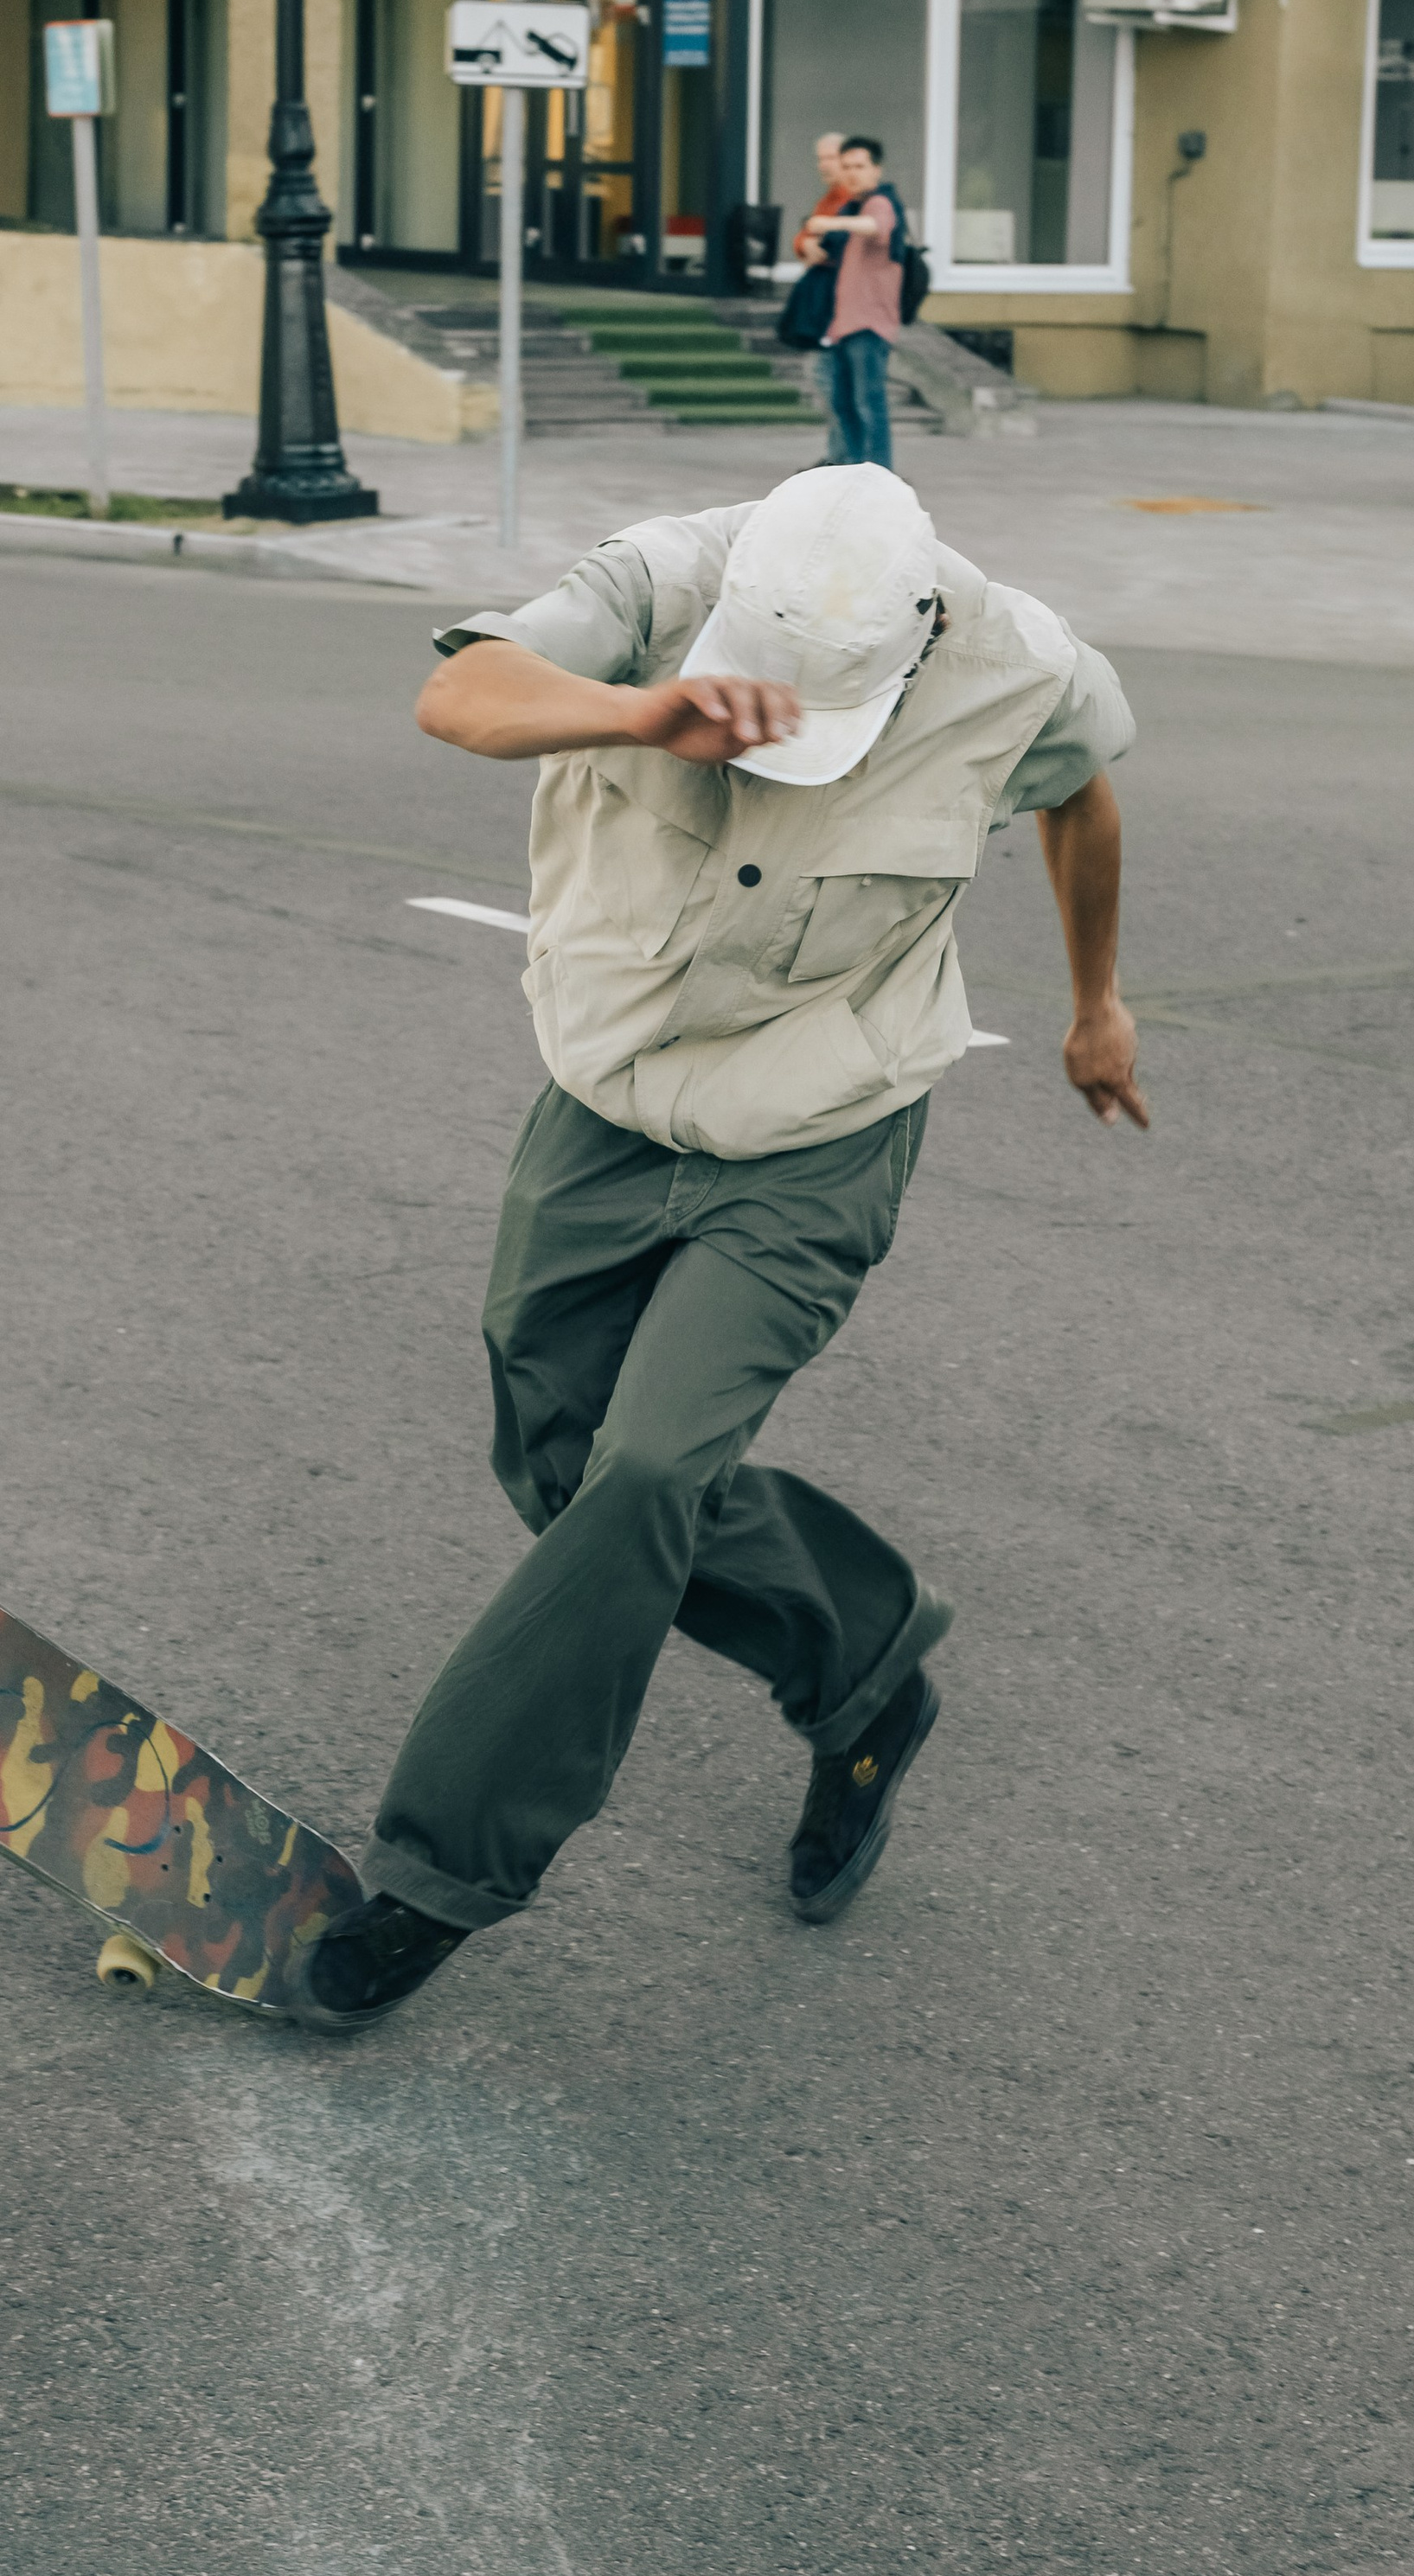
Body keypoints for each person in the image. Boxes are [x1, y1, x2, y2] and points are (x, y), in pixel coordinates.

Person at [291, 465, 1144, 2034]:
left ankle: (437, 1878)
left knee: (645, 1473)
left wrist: (1097, 1000)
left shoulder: (1019, 663)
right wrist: (633, 718)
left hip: (818, 1129)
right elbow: (463, 695)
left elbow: (1085, 791)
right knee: (559, 1467)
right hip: (608, 1103)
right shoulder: (656, 584)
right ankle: (868, 1660)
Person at [797, 136, 904, 471]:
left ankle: (880, 477)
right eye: (847, 167)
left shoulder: (881, 202)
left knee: (868, 403)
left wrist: (833, 223)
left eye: (860, 166)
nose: (853, 174)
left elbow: (876, 226)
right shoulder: (852, 205)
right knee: (846, 403)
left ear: (876, 169)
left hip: (869, 325)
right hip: (845, 325)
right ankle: (855, 472)